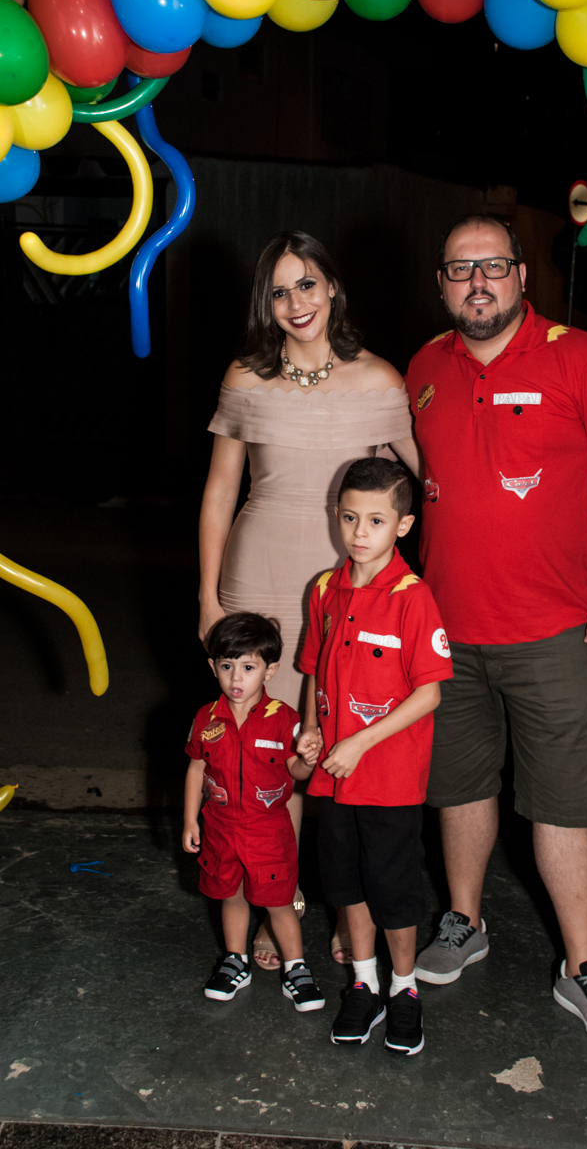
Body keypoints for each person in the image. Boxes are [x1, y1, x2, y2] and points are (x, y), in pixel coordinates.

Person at [406, 214, 587, 1048]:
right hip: (446, 635)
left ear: (521, 275)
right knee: (459, 788)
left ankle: (581, 966)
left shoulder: (578, 357)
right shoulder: (423, 369)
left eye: (492, 266)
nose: (475, 283)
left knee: (562, 801)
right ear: (441, 283)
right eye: (458, 269)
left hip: (552, 632)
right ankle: (462, 922)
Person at [198, 231, 420, 970]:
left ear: (333, 290)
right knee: (268, 761)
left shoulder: (381, 381)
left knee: (328, 757)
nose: (297, 302)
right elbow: (220, 493)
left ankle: (344, 906)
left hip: (342, 595)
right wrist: (207, 596)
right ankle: (279, 906)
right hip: (254, 582)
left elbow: (424, 494)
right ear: (266, 301)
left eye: (308, 284)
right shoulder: (243, 378)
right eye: (281, 289)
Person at [298, 458, 454, 1056]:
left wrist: (360, 741)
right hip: (334, 782)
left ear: (404, 525)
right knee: (346, 884)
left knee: (392, 888)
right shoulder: (323, 589)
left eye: (376, 520)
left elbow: (429, 691)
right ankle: (363, 984)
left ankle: (404, 990)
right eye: (349, 518)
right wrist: (312, 731)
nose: (360, 533)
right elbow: (313, 670)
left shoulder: (414, 599)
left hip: (387, 779)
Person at [183, 612, 325, 1010]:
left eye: (248, 667)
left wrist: (307, 759)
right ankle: (234, 961)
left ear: (270, 670)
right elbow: (196, 767)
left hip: (268, 832)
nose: (236, 678)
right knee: (230, 895)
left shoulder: (284, 720)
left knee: (278, 902)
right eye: (227, 667)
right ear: (213, 667)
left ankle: (296, 968)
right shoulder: (206, 719)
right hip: (220, 828)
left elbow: (294, 772)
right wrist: (189, 818)